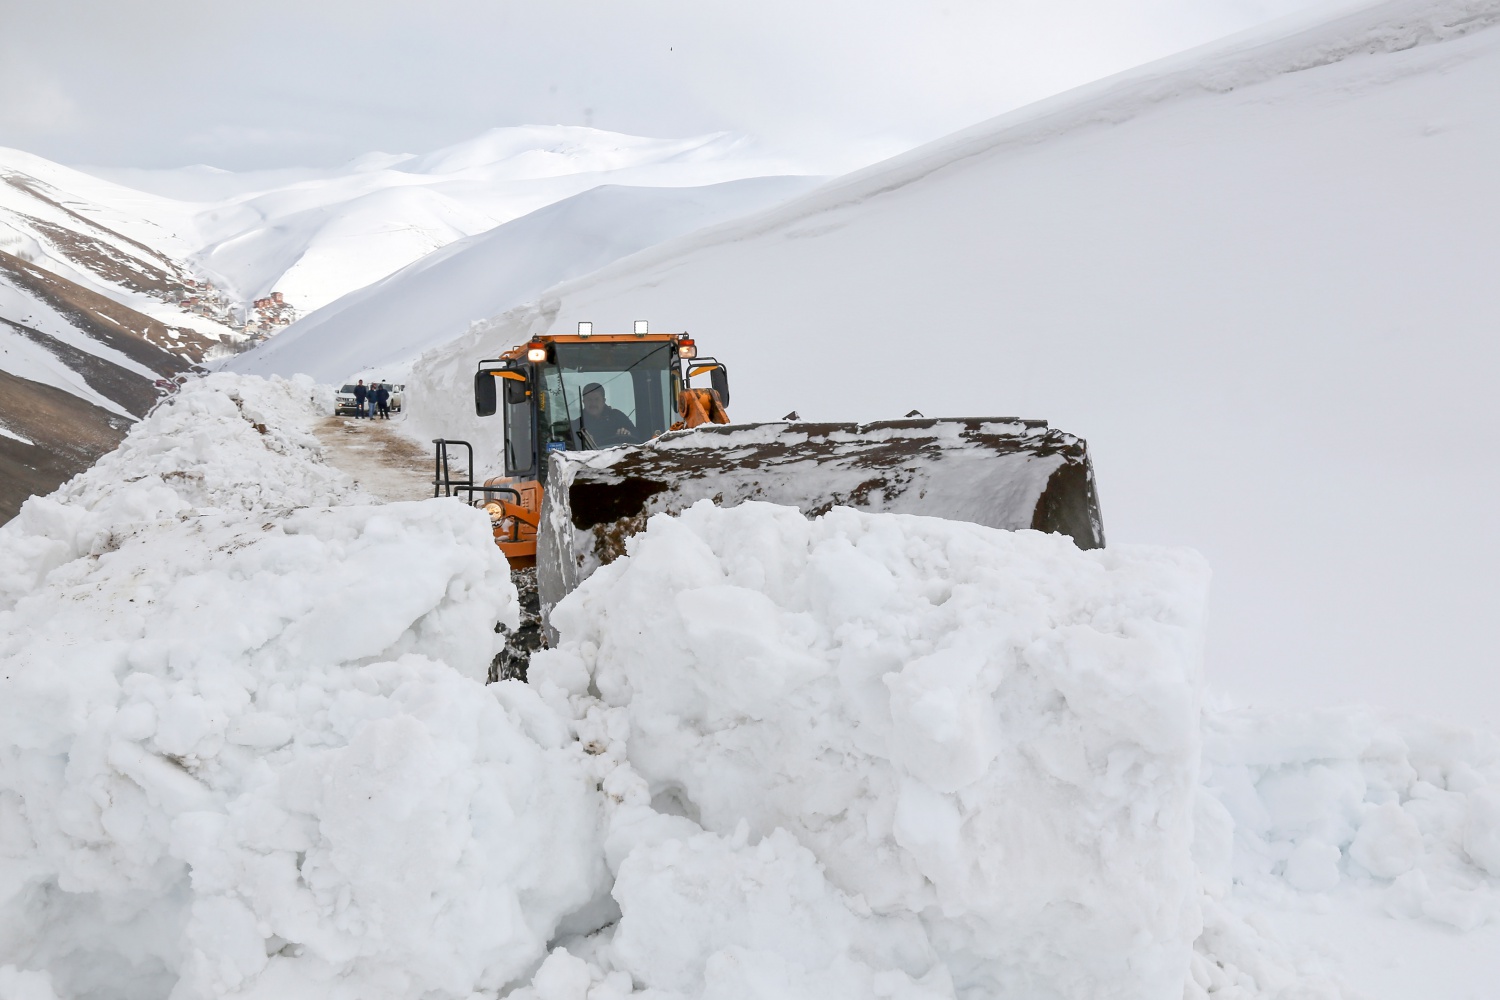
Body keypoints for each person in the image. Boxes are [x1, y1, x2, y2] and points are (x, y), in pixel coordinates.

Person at [573, 382, 636, 446]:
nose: (593, 403)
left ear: (603, 401)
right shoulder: (577, 425)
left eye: (597, 399)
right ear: (583, 401)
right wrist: (584, 443)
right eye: (589, 399)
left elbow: (637, 437)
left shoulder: (618, 417)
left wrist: (627, 433)